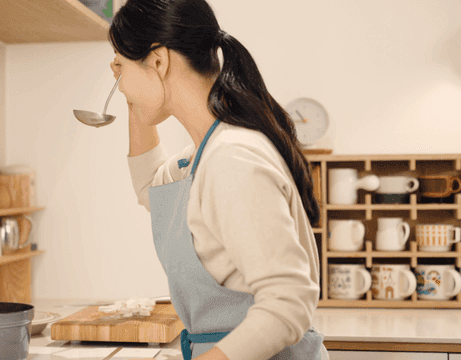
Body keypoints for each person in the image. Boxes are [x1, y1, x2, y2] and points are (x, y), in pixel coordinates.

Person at [108, 1, 329, 360]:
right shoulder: (200, 158)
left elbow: (289, 302)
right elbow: (150, 186)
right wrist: (134, 86)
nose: (118, 82)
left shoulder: (232, 159)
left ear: (159, 61)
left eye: (120, 64)